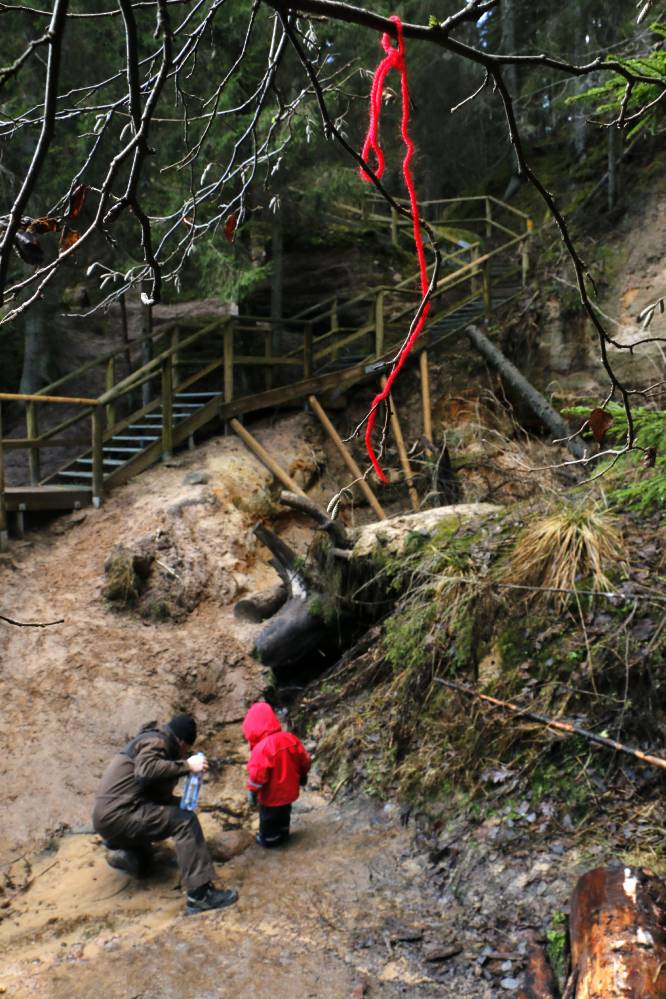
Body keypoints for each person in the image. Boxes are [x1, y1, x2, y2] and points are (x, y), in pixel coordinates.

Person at [92, 712, 238, 915]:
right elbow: (146, 772)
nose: (185, 754)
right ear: (181, 742)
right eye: (187, 750)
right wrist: (187, 766)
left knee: (147, 864)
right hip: (121, 815)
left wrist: (183, 800)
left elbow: (150, 792)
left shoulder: (147, 741)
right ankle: (200, 896)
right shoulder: (157, 742)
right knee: (185, 821)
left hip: (107, 818)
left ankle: (128, 855)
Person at [242, 702, 311, 848]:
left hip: (271, 798)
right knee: (284, 816)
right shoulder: (290, 738)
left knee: (268, 821)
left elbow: (257, 776)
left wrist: (252, 792)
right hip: (289, 793)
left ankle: (269, 840)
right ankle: (284, 833)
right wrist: (303, 775)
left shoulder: (261, 749)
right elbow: (304, 759)